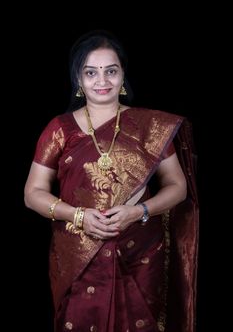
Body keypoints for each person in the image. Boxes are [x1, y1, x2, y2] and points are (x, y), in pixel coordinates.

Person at [24, 30, 199, 332]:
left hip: (140, 252)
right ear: (78, 80)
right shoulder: (60, 129)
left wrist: (139, 212)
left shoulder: (150, 127)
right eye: (91, 72)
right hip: (79, 253)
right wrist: (78, 215)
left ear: (122, 76)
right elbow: (33, 193)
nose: (102, 81)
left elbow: (177, 185)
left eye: (111, 71)